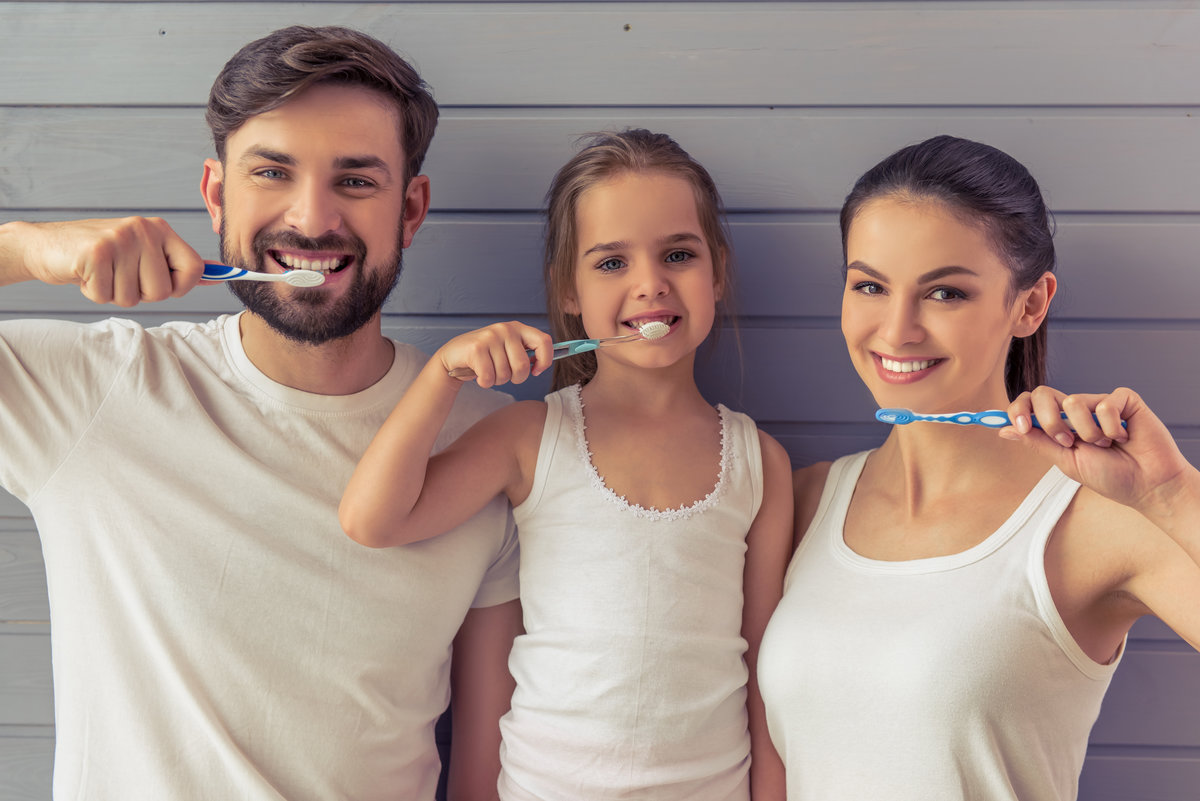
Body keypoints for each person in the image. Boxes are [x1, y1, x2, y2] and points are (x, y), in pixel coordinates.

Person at [0, 26, 521, 801]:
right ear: (217, 195)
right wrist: (29, 249)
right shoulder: (94, 392)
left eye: (355, 181)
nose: (311, 220)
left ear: (410, 210)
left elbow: (487, 775)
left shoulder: (488, 443)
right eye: (273, 173)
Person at [340, 129, 793, 800]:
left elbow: (765, 678)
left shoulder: (760, 462)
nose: (650, 284)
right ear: (569, 289)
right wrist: (441, 375)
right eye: (611, 263)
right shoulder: (530, 435)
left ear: (716, 271)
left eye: (678, 254)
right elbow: (373, 519)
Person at [757, 134, 1200, 800]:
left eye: (945, 294)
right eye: (870, 285)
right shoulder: (803, 501)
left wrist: (1172, 494)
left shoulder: (1093, 521)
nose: (896, 329)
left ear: (1029, 304)